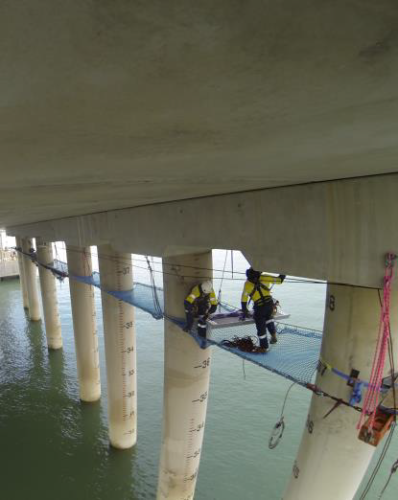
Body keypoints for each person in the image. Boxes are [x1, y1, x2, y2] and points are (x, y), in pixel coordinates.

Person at [241, 268, 286, 353]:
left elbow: (244, 300)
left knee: (261, 327)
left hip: (259, 307)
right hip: (269, 305)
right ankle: (273, 335)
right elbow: (280, 280)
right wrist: (283, 270)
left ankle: (263, 347)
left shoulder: (247, 284)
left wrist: (245, 311)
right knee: (269, 318)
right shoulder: (264, 277)